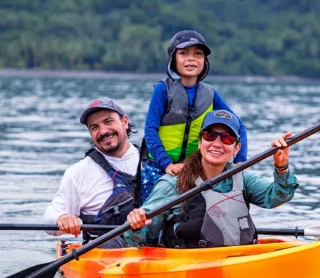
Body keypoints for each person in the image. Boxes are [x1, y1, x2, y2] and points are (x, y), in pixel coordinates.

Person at [125, 110, 298, 248]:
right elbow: (138, 238)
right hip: (190, 268)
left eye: (227, 138)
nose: (217, 143)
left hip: (237, 262)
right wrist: (136, 223)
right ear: (200, 142)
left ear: (236, 148)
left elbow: (277, 197)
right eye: (210, 135)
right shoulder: (172, 184)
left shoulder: (243, 178)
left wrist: (281, 166)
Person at [141, 30, 248, 203]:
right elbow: (150, 130)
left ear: (204, 61)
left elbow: (239, 126)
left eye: (198, 54)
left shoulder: (210, 94)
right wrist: (167, 164)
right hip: (158, 166)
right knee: (152, 213)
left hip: (193, 170)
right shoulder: (162, 89)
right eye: (183, 53)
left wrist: (240, 161)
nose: (191, 59)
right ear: (173, 59)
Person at [44, 97, 140, 248]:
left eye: (108, 122)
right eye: (94, 127)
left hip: (160, 253)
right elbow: (49, 218)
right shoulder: (78, 173)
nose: (103, 131)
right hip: (104, 255)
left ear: (125, 122)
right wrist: (62, 218)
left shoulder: (156, 162)